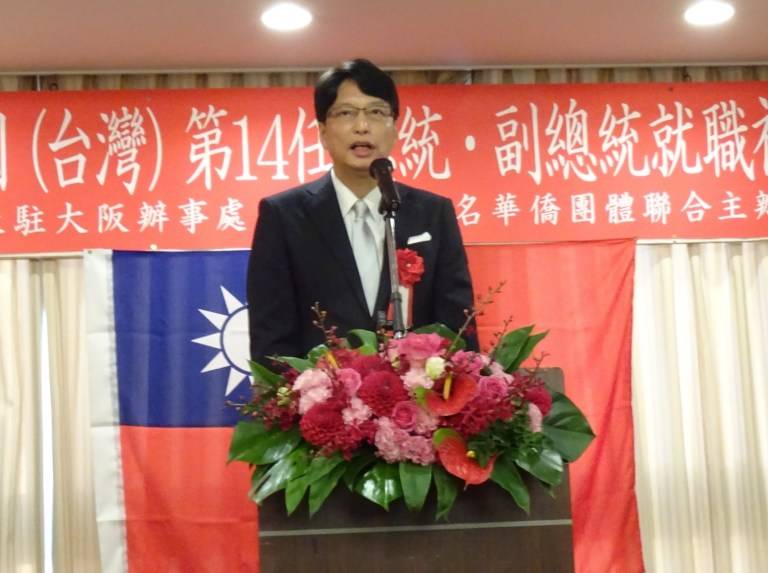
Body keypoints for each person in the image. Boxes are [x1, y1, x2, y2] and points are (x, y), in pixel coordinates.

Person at [247, 58, 476, 365]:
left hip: (419, 393)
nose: (362, 126)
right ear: (323, 131)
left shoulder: (433, 214)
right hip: (318, 392)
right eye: (346, 113)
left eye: (376, 112)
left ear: (395, 129)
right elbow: (271, 337)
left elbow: (458, 327)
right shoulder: (283, 216)